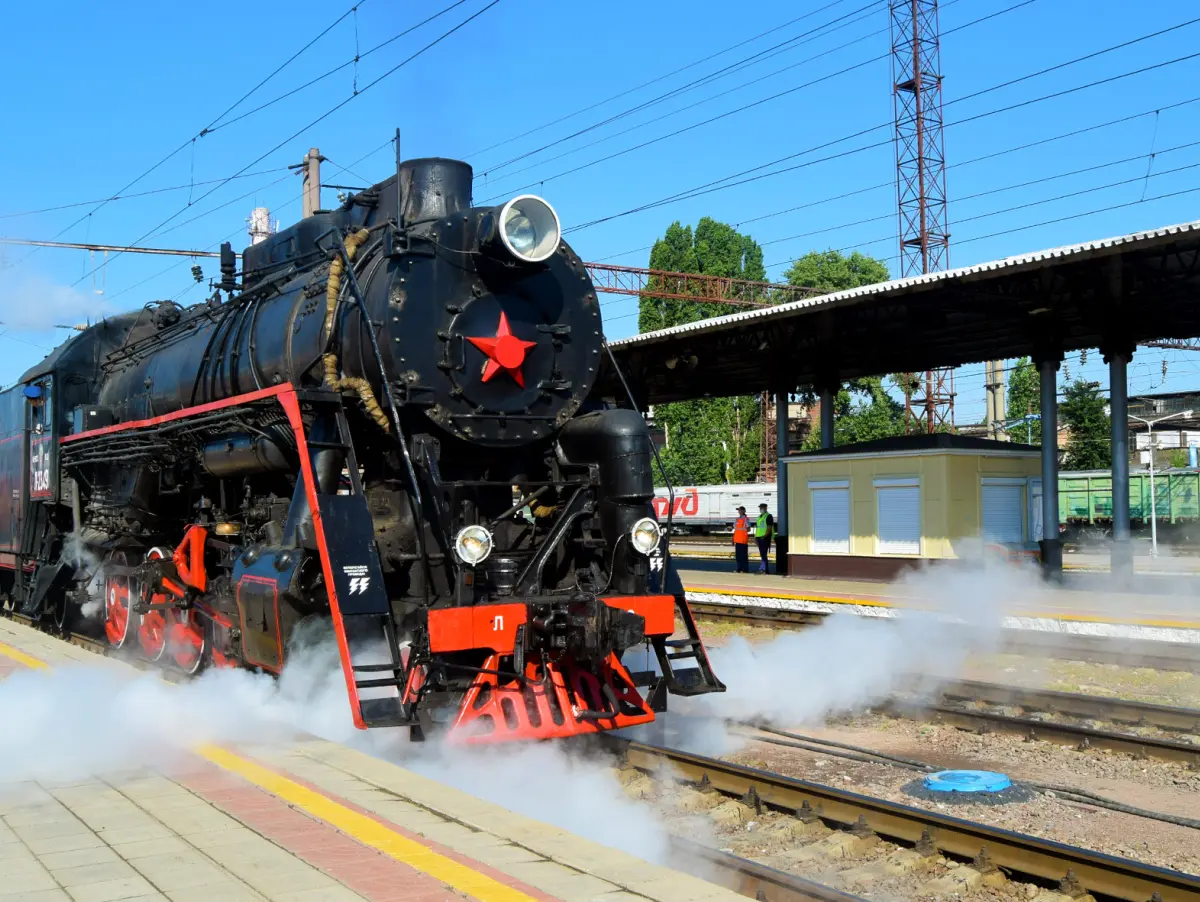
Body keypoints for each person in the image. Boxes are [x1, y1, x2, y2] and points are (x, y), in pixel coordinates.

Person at [755, 503, 774, 574]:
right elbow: (758, 528)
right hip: (759, 538)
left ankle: (763, 569)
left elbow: (769, 528)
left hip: (764, 538)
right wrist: (756, 537)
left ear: (766, 508)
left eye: (762, 508)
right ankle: (765, 569)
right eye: (760, 508)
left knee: (763, 554)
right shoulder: (760, 517)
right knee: (762, 554)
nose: (761, 509)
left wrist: (764, 536)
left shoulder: (768, 516)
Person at [732, 506, 750, 573]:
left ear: (743, 511)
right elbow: (735, 529)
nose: (738, 511)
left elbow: (748, 528)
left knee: (743, 556)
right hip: (737, 540)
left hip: (743, 540)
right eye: (738, 510)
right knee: (738, 556)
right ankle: (739, 568)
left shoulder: (746, 519)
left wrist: (744, 531)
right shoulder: (737, 519)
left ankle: (745, 569)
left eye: (739, 510)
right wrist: (733, 539)